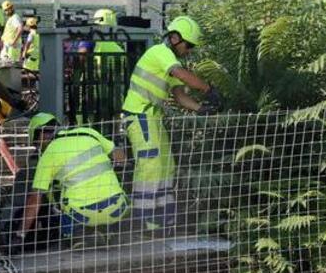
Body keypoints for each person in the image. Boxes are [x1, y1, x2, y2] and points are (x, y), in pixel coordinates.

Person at [121, 15, 219, 233]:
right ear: (175, 38)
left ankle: (162, 218)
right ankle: (142, 221)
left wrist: (201, 109)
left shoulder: (168, 60)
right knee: (150, 166)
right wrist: (207, 89)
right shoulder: (160, 53)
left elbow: (178, 94)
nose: (190, 50)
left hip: (151, 117)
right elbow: (180, 74)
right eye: (189, 45)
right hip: (140, 115)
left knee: (166, 164)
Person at [18, 113, 128, 244]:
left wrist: (20, 234)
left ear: (39, 137)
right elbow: (121, 158)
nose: (39, 149)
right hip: (118, 208)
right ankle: (106, 229)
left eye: (37, 145)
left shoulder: (48, 155)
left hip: (83, 214)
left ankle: (74, 234)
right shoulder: (88, 133)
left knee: (56, 192)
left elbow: (35, 199)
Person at [0, 0, 23, 64]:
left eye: (8, 9)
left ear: (12, 8)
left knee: (11, 66)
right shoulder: (11, 18)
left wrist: (14, 41)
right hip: (8, 46)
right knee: (4, 62)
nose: (7, 11)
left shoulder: (15, 17)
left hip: (12, 47)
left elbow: (20, 28)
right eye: (5, 10)